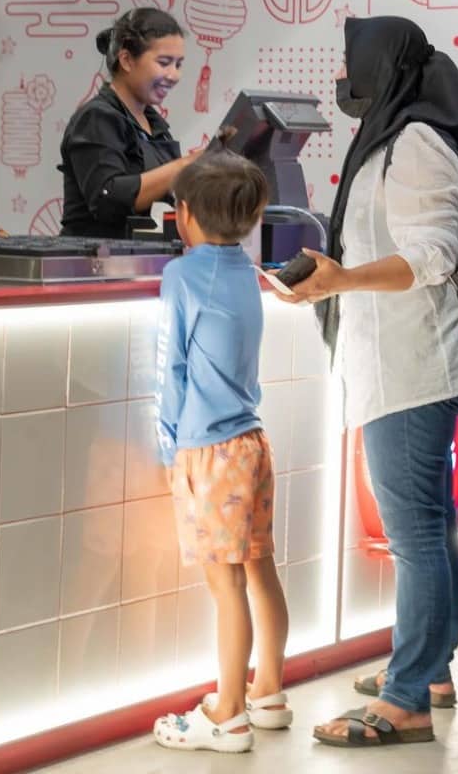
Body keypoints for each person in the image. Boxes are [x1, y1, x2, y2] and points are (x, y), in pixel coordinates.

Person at [275, 16, 458, 748]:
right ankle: (430, 672)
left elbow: (433, 256)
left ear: (383, 67)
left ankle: (406, 702)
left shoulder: (416, 144)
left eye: (350, 62)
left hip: (411, 371)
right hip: (406, 366)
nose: (343, 76)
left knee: (418, 534)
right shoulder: (400, 139)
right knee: (429, 526)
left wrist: (342, 279)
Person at [151, 151, 292, 754]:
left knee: (224, 585)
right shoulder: (245, 268)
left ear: (182, 216)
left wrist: (167, 451)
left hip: (208, 451)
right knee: (260, 572)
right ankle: (269, 693)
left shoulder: (181, 277)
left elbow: (171, 370)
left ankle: (227, 713)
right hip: (253, 444)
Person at [58, 7, 199, 238]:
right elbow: (107, 198)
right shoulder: (96, 119)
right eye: (164, 63)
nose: (174, 75)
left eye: (178, 64)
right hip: (94, 264)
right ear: (126, 59)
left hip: (143, 260)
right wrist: (184, 166)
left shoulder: (155, 124)